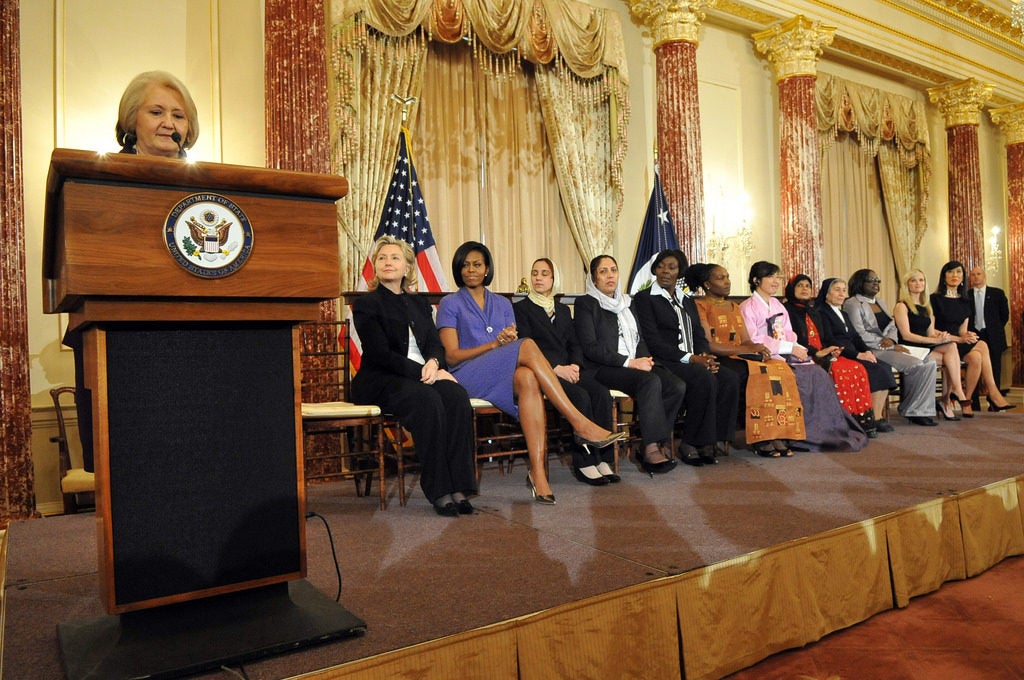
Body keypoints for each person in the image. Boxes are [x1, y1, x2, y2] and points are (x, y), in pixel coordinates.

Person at [64, 70, 200, 472]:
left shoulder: (209, 186)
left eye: (178, 115)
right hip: (121, 330)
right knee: (132, 462)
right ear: (131, 121)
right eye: (156, 111)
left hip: (194, 328)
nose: (168, 123)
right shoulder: (99, 180)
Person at [436, 242, 623, 505]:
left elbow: (509, 346)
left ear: (487, 268)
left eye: (477, 264)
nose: (471, 270)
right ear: (458, 269)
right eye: (465, 265)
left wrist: (505, 343)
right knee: (527, 344)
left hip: (500, 370)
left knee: (527, 377)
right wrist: (495, 344)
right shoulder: (450, 303)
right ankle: (579, 422)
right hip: (466, 374)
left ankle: (538, 473)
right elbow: (451, 356)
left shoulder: (502, 303)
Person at [350, 236, 477, 517]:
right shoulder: (367, 304)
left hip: (422, 375)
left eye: (395, 258)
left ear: (407, 267)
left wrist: (434, 363)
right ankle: (440, 489)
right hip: (381, 379)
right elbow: (380, 354)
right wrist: (424, 372)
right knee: (427, 400)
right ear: (375, 266)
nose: (388, 262)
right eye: (382, 258)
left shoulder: (418, 304)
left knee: (456, 397)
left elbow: (435, 343)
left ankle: (460, 486)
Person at [573, 255, 686, 474]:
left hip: (633, 364)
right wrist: (630, 362)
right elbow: (590, 347)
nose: (610, 275)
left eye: (613, 270)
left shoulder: (628, 302)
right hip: (603, 368)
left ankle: (655, 439)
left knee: (676, 386)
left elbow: (640, 339)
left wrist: (644, 360)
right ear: (594, 278)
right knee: (650, 382)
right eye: (603, 271)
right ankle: (651, 448)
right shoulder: (586, 303)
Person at [740, 261, 868, 453]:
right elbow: (753, 338)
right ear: (756, 280)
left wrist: (799, 349)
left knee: (818, 374)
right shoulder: (747, 307)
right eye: (770, 277)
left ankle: (820, 432)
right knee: (795, 379)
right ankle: (785, 433)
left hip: (785, 353)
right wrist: (788, 348)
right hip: (764, 356)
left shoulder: (776, 304)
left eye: (778, 277)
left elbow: (789, 332)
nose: (776, 281)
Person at [514, 258, 618, 486]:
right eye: (535, 273)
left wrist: (575, 365)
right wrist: (555, 368)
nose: (538, 278)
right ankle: (585, 463)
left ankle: (603, 459)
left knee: (601, 393)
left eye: (544, 273)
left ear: (554, 279)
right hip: (543, 373)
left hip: (569, 370)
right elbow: (527, 345)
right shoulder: (521, 309)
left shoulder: (562, 309)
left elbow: (575, 344)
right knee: (580, 397)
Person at [631, 250, 741, 465]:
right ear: (654, 270)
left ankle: (716, 438)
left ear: (679, 272)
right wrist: (692, 359)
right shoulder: (645, 298)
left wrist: (705, 356)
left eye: (671, 267)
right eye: (661, 266)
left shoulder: (687, 300)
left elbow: (699, 334)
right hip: (666, 360)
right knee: (703, 377)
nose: (665, 271)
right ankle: (691, 442)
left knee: (729, 378)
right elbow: (653, 341)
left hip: (693, 359)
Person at [685, 262, 802, 458]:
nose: (727, 282)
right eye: (720, 278)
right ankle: (758, 437)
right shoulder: (700, 306)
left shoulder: (734, 306)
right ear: (706, 284)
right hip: (717, 357)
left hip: (739, 355)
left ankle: (777, 433)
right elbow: (709, 345)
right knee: (753, 375)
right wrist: (746, 348)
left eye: (728, 277)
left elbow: (747, 339)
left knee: (777, 369)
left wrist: (759, 348)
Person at [785, 275, 890, 437]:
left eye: (807, 285)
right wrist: (824, 351)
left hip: (826, 352)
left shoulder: (813, 311)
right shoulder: (788, 310)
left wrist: (865, 351)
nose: (805, 289)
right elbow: (796, 339)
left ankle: (863, 420)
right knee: (849, 369)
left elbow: (845, 337)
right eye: (800, 285)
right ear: (826, 293)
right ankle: (846, 421)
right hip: (801, 354)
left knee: (871, 367)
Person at [844, 268, 938, 426]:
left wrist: (892, 340)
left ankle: (920, 410)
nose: (876, 284)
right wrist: (888, 346)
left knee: (929, 363)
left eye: (878, 281)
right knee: (916, 364)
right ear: (860, 283)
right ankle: (912, 410)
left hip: (888, 346)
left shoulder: (880, 301)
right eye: (871, 280)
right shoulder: (853, 303)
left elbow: (892, 325)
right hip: (871, 349)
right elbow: (858, 332)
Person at [811, 276, 897, 434]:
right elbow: (831, 339)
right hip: (839, 352)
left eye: (844, 290)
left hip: (854, 351)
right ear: (826, 294)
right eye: (837, 290)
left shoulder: (843, 313)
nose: (841, 294)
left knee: (884, 367)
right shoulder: (821, 312)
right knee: (875, 371)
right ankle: (871, 419)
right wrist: (858, 355)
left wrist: (867, 351)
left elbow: (856, 336)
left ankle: (875, 416)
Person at [930, 261, 1014, 413]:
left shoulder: (965, 300)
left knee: (976, 356)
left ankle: (966, 398)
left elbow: (962, 330)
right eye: (950, 272)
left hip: (958, 342)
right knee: (982, 345)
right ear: (944, 276)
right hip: (942, 342)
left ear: (963, 278)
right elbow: (931, 330)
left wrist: (967, 335)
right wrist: (958, 338)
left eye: (958, 272)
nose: (954, 275)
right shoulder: (934, 299)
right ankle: (992, 393)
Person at [892, 268, 967, 421]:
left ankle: (954, 393)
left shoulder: (927, 306)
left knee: (951, 346)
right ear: (907, 285)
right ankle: (950, 398)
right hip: (909, 348)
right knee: (951, 360)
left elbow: (931, 333)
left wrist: (943, 336)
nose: (918, 283)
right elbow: (906, 335)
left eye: (921, 280)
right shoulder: (901, 306)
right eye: (913, 280)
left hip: (925, 346)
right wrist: (934, 341)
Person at [968, 266, 1010, 407]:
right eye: (973, 275)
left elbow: (1004, 315)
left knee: (995, 368)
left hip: (993, 335)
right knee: (973, 367)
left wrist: (993, 328)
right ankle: (973, 402)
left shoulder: (997, 293)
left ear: (984, 276)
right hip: (974, 335)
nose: (976, 277)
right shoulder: (966, 296)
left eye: (978, 274)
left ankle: (994, 401)